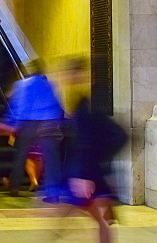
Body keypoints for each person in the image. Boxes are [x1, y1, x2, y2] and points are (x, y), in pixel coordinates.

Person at [59, 57, 128, 243]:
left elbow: (98, 138)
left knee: (98, 218)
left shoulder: (87, 106)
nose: (68, 78)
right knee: (100, 219)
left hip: (88, 172)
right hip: (92, 170)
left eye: (73, 74)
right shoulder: (84, 103)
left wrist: (87, 171)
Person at [1, 59, 65, 201]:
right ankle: (53, 193)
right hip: (49, 124)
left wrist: (10, 123)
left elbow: (18, 106)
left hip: (28, 124)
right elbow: (58, 106)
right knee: (52, 159)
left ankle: (14, 187)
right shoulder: (50, 85)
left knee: (21, 155)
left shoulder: (22, 85)